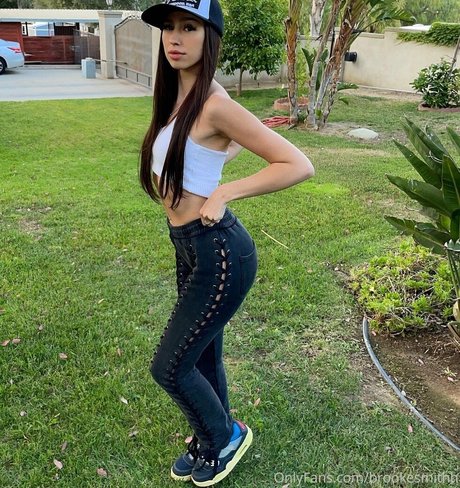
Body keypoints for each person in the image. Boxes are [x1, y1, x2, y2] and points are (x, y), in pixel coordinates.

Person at [139, 1, 315, 486]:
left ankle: (225, 437)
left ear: (209, 36)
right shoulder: (176, 95)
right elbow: (205, 149)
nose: (175, 38)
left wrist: (225, 192)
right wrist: (221, 158)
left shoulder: (215, 103)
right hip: (187, 243)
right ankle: (208, 434)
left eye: (189, 27)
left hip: (219, 250)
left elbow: (298, 165)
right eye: (168, 28)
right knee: (201, 352)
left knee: (170, 367)